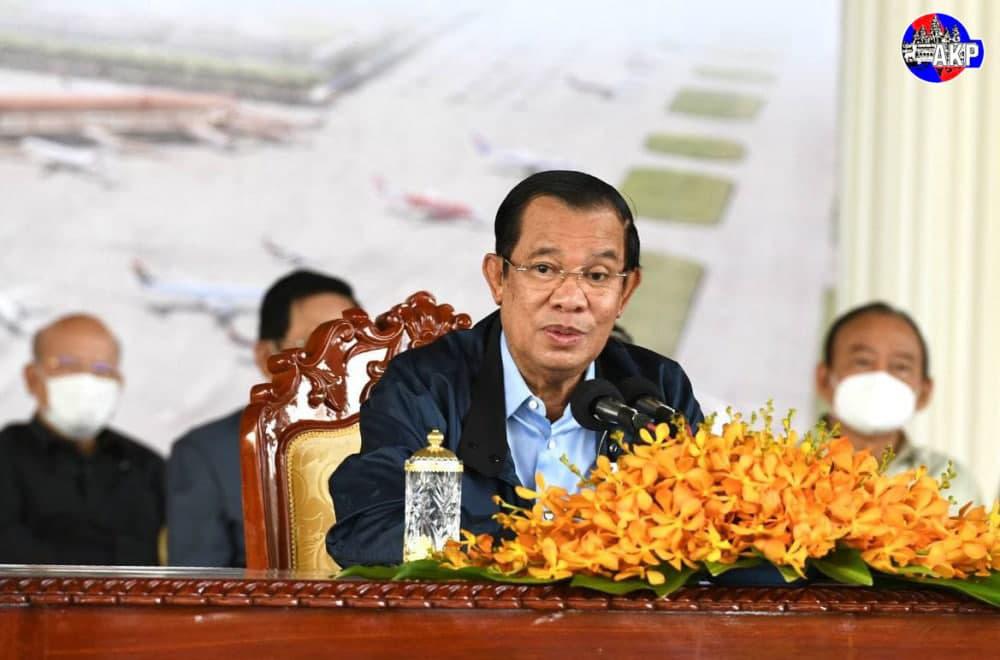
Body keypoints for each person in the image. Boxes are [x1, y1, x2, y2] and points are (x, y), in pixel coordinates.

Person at [327, 170, 704, 567]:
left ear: (625, 291)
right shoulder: (425, 387)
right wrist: (541, 549)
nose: (571, 299)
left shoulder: (657, 390)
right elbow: (370, 529)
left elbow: (711, 532)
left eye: (597, 276)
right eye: (544, 269)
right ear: (498, 278)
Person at [167, 270, 359, 567]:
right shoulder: (207, 454)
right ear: (266, 355)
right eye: (316, 344)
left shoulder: (403, 438)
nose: (337, 360)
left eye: (351, 342)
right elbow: (197, 587)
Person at [0, 314, 163, 565]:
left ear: (119, 383)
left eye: (102, 369)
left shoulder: (150, 468)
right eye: (67, 365)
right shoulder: (6, 457)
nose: (86, 380)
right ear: (32, 377)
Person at [815, 301, 980, 505]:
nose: (880, 377)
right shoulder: (786, 469)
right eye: (863, 361)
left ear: (924, 392)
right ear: (823, 379)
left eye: (900, 367)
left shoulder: (954, 483)